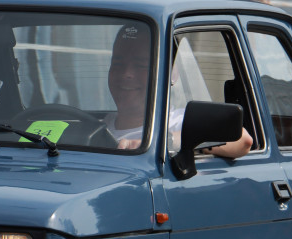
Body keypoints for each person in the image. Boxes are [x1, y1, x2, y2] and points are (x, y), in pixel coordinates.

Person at [105, 24, 252, 157]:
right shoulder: (94, 128)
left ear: (172, 75)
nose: (126, 73)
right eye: (117, 63)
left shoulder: (180, 123)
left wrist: (168, 141)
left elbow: (242, 140)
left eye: (141, 65)